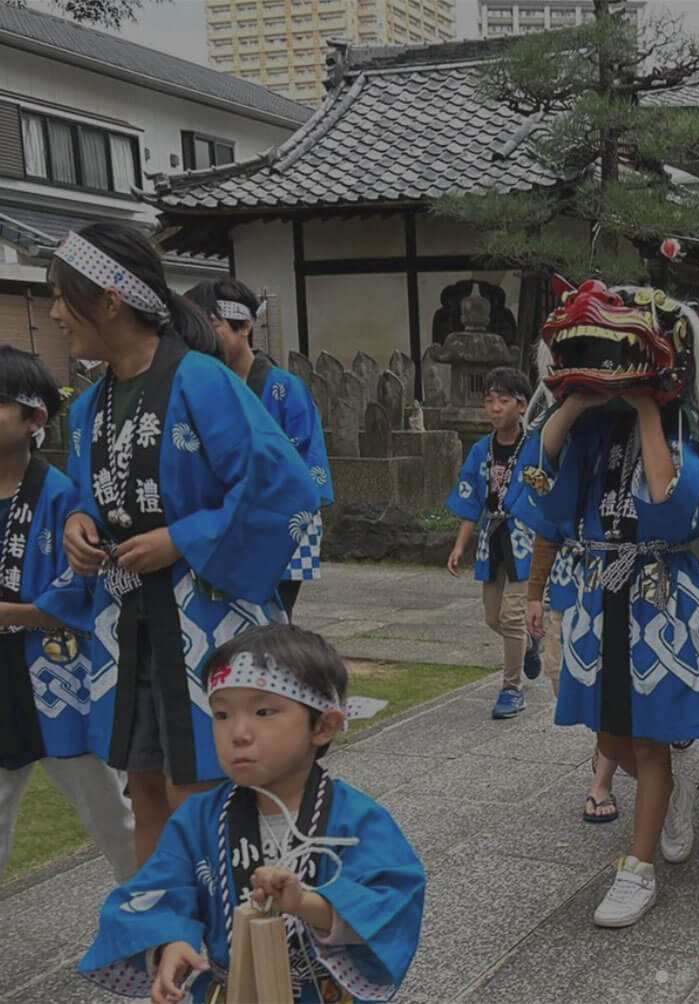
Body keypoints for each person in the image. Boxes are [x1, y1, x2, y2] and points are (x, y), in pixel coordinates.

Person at [48, 222, 320, 864]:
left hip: (205, 621)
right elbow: (95, 496)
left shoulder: (202, 381)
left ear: (109, 299)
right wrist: (79, 524)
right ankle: (164, 943)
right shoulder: (90, 405)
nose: (56, 312)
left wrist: (183, 537)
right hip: (127, 626)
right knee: (144, 790)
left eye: (63, 295)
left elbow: (286, 489)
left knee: (200, 793)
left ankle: (227, 949)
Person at [513, 279, 699, 928]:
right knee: (606, 734)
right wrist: (572, 403)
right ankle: (672, 792)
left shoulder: (689, 439)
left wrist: (649, 407)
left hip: (659, 602)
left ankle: (639, 869)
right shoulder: (590, 439)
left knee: (651, 740)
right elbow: (539, 486)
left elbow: (670, 500)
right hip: (601, 599)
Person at [79, 624, 425, 1003]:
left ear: (323, 725)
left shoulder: (357, 820)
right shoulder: (198, 818)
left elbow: (391, 905)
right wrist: (169, 943)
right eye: (222, 714)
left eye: (263, 711)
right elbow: (157, 891)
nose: (238, 732)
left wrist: (304, 903)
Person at [0, 347, 135, 882]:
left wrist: (11, 613)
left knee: (112, 815)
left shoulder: (64, 499)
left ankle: (165, 924)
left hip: (56, 679)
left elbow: (84, 590)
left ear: (35, 417)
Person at [185, 278, 333, 617]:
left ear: (245, 325)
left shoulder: (285, 389)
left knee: (270, 626)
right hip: (215, 526)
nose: (202, 340)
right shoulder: (198, 387)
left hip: (279, 523)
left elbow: (299, 474)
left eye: (212, 326)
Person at [446, 367, 540, 719]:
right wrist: (459, 546)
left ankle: (511, 688)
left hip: (525, 540)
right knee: (491, 617)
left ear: (521, 405)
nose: (495, 408)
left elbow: (546, 494)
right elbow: (470, 499)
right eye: (489, 401)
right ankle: (529, 646)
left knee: (512, 616)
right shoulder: (480, 451)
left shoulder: (535, 447)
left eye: (503, 401)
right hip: (491, 538)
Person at [526, 530, 621, 822]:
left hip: (615, 584)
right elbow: (546, 525)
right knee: (562, 681)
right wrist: (534, 594)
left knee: (608, 682)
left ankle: (601, 781)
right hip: (565, 586)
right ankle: (603, 739)